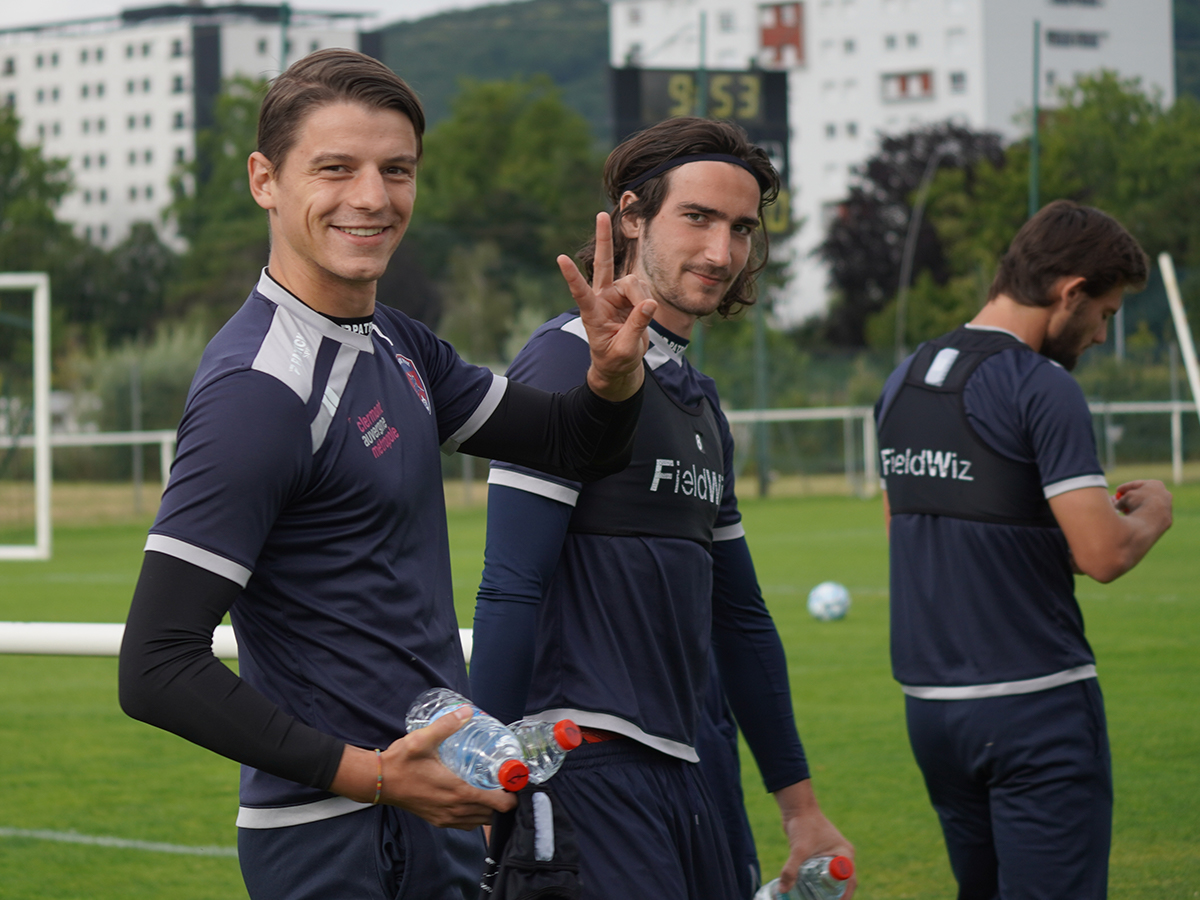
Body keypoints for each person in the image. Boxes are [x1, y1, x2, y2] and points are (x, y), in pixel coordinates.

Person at [117, 49, 660, 900]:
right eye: (335, 168)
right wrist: (370, 775)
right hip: (336, 837)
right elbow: (155, 666)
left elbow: (571, 442)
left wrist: (612, 375)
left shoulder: (396, 343)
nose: (372, 197)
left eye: (395, 170)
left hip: (424, 812)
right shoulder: (259, 391)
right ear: (265, 179)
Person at [469, 116, 855, 900]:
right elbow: (510, 586)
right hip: (584, 766)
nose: (722, 252)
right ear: (633, 215)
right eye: (699, 218)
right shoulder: (564, 360)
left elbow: (741, 620)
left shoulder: (698, 401)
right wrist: (481, 784)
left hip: (687, 770)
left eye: (742, 228)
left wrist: (801, 809)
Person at [874, 199, 1174, 900]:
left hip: (933, 711)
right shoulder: (1043, 385)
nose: (1100, 335)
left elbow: (917, 531)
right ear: (1070, 292)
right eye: (1106, 313)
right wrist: (1154, 514)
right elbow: (1103, 555)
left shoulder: (904, 378)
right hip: (1035, 707)